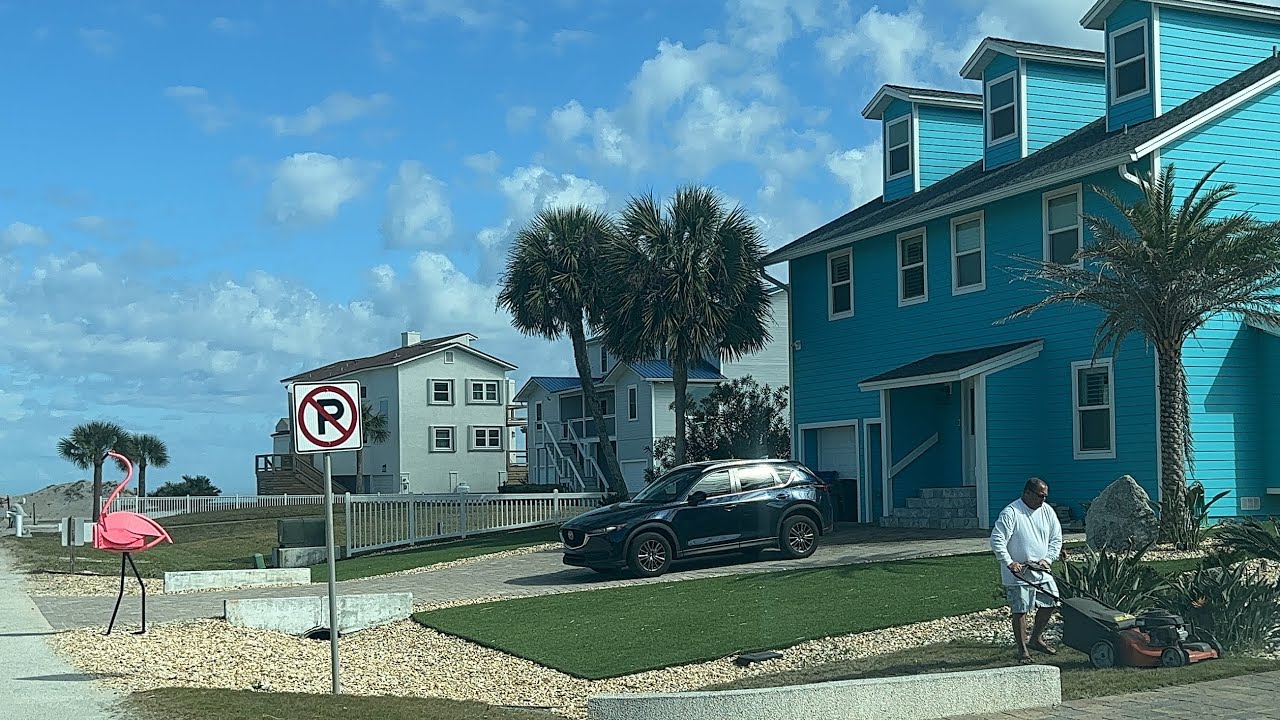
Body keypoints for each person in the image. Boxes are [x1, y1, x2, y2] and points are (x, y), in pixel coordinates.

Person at [990, 477, 1063, 662]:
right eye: (1039, 496)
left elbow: (1056, 538)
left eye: (1045, 496)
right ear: (1027, 493)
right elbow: (997, 540)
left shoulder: (1047, 511)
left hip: (1041, 569)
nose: (1042, 500)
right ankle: (1022, 650)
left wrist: (1048, 559)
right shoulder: (1012, 512)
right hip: (1018, 572)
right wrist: (1009, 562)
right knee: (1020, 610)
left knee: (1052, 601)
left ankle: (1035, 639)